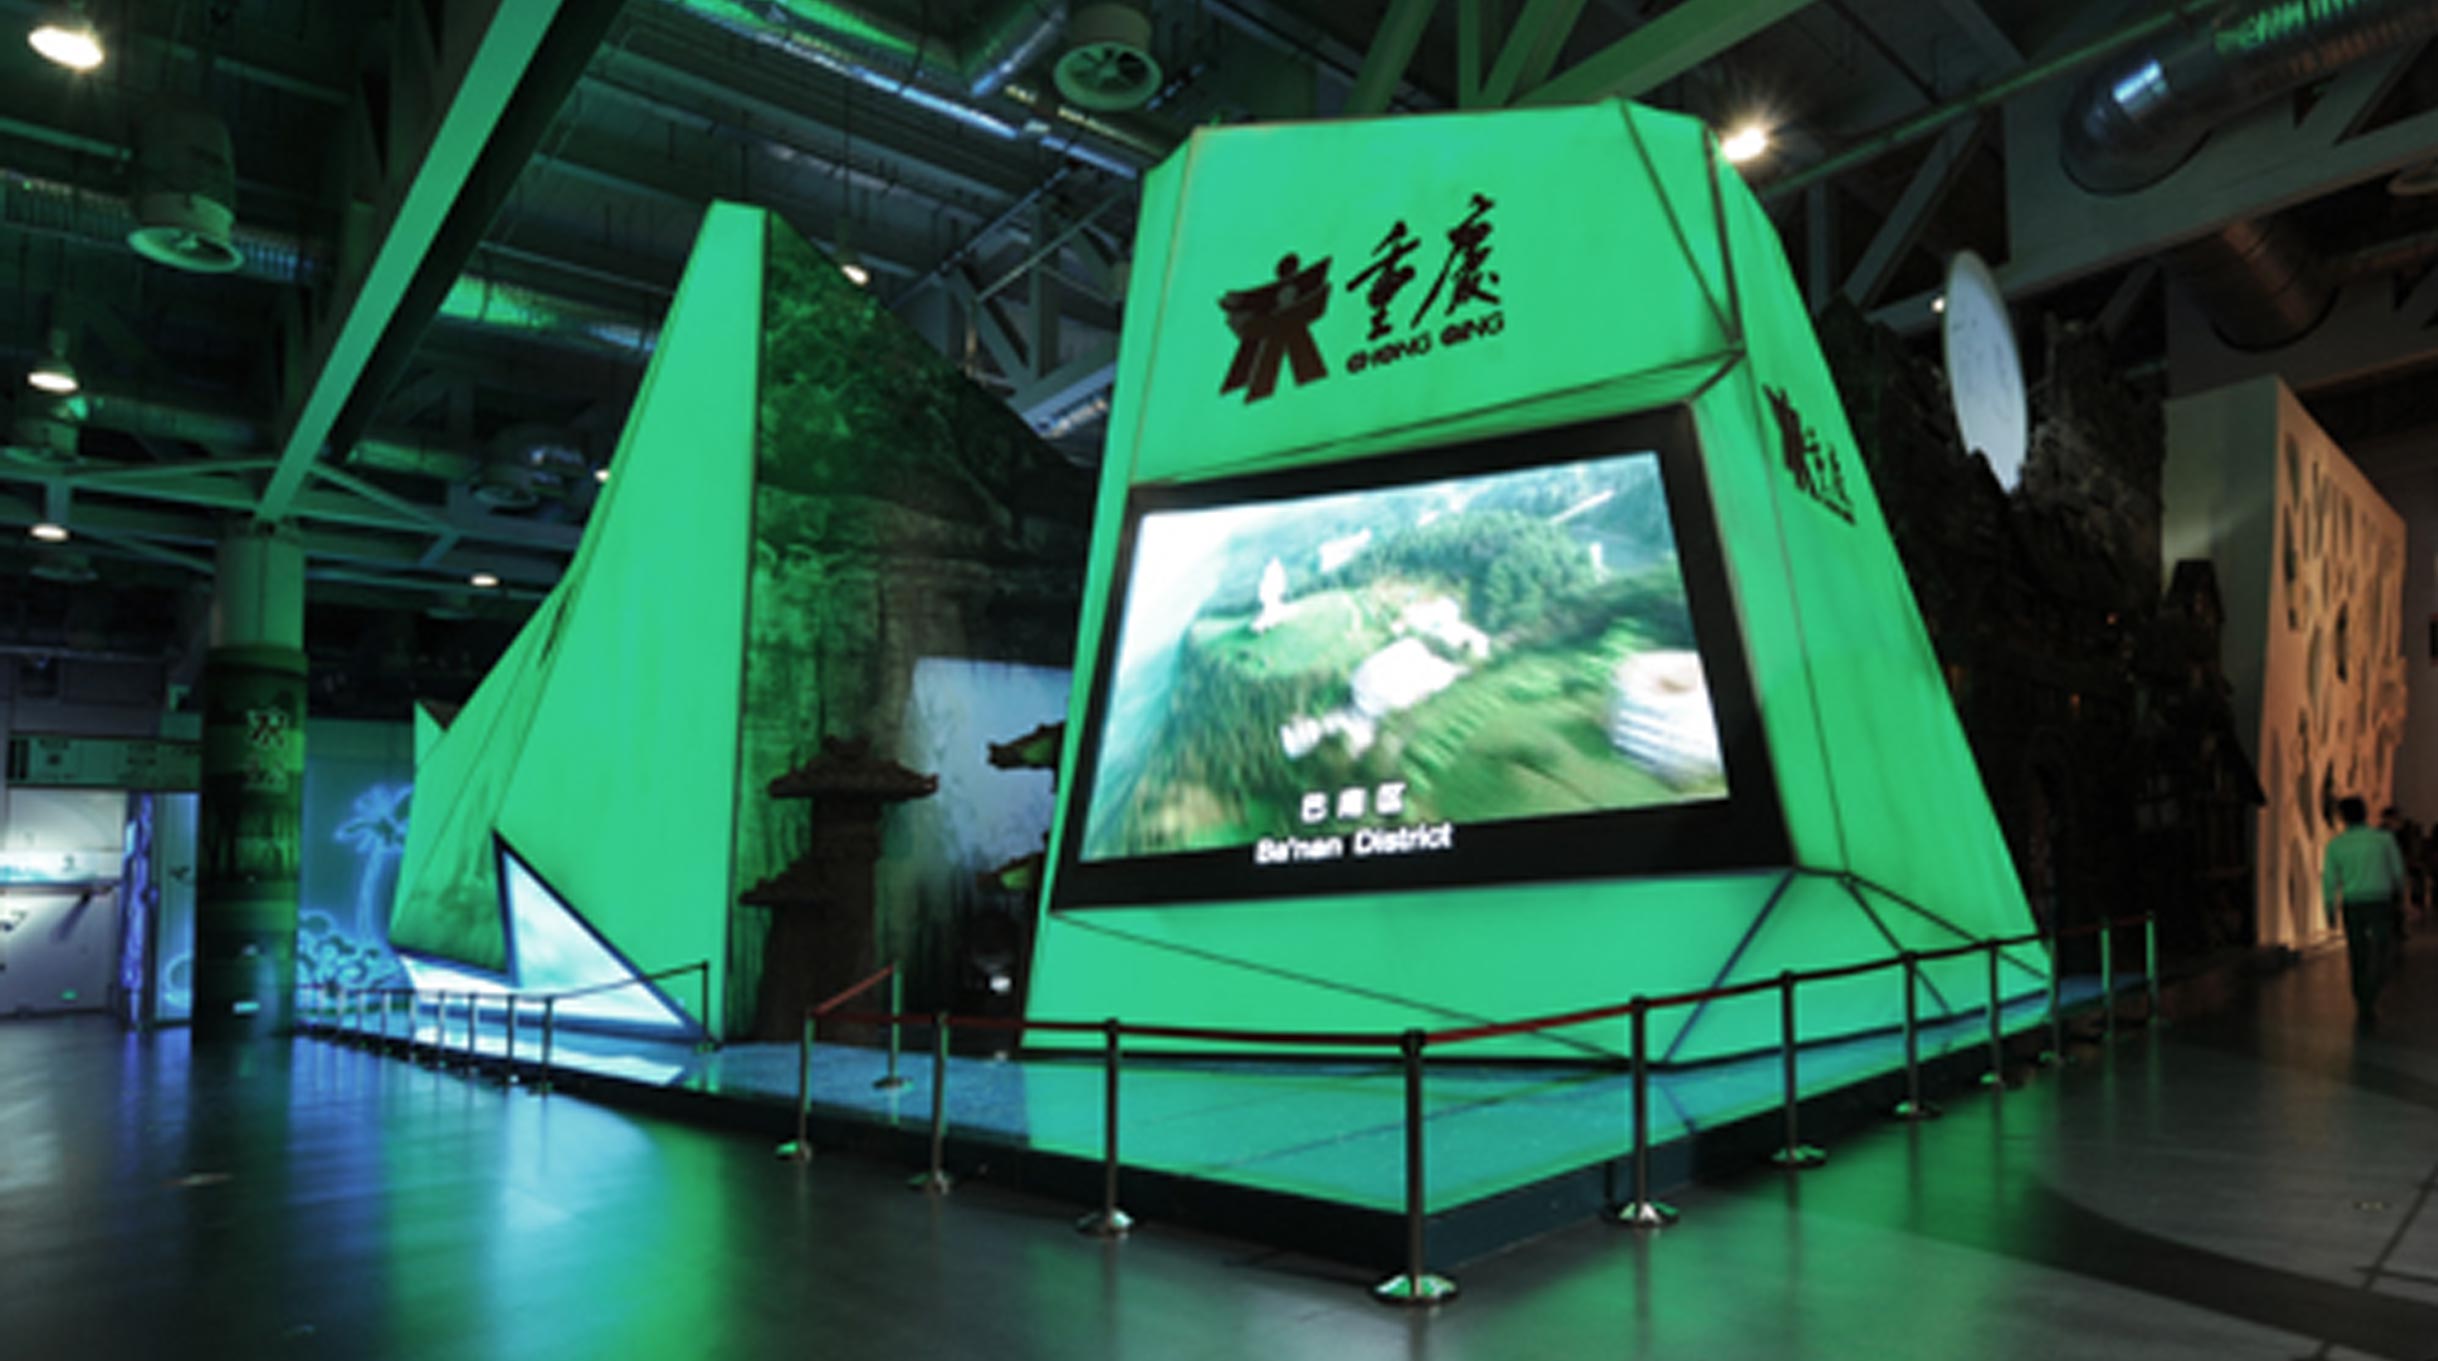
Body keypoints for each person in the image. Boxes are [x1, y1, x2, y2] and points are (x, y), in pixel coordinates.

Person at [2324, 797, 2406, 1026]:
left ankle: (2363, 997)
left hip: (2353, 903)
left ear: (2343, 818)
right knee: (2382, 948)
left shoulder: (2336, 845)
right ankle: (2373, 987)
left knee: (2357, 952)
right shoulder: (2383, 840)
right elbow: (2397, 870)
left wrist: (2329, 906)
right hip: (2380, 901)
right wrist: (2401, 894)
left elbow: (2330, 879)